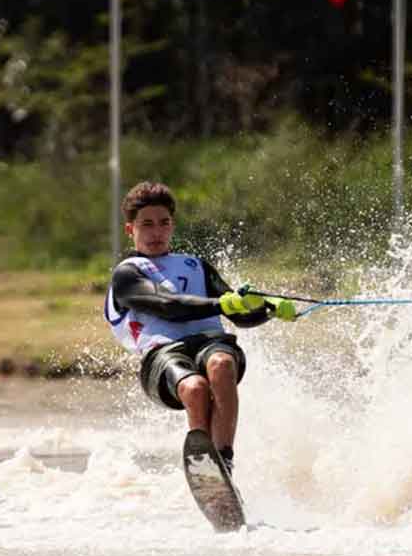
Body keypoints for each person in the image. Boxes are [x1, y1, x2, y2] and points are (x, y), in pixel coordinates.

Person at [103, 181, 295, 475]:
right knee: (195, 388)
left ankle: (223, 464)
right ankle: (203, 464)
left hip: (210, 344)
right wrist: (222, 305)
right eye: (147, 225)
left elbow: (242, 316)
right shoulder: (127, 274)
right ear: (131, 229)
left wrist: (269, 307)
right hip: (163, 358)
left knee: (221, 364)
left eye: (164, 223)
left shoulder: (196, 265)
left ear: (173, 225)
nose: (157, 232)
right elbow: (169, 306)